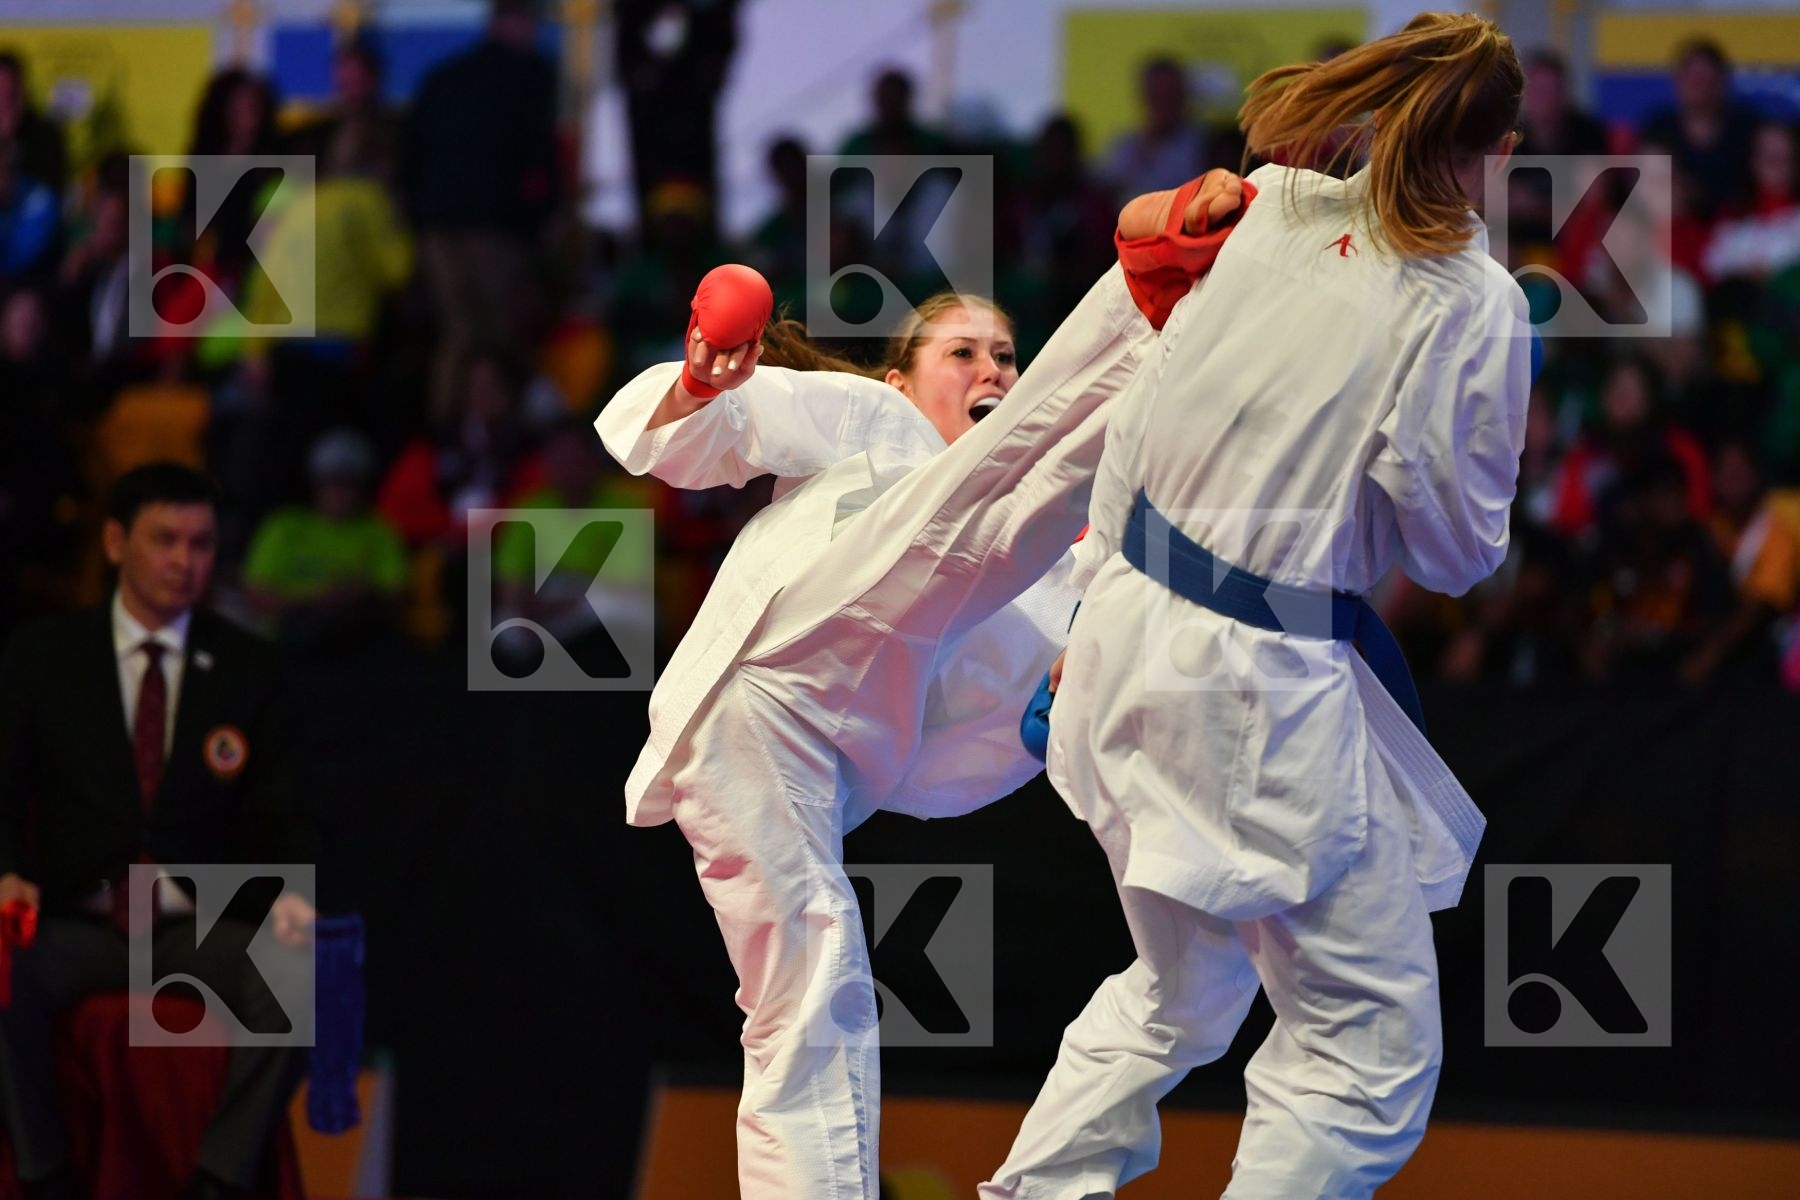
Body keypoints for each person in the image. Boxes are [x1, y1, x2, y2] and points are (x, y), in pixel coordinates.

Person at [597, 172, 1248, 1198]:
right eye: (964, 353)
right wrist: (698, 378)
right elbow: (725, 425)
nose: (991, 365)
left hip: (803, 755)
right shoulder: (874, 422)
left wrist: (1072, 699)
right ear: (901, 379)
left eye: (1005, 354)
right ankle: (1152, 289)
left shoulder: (1063, 568)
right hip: (780, 669)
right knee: (998, 487)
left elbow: (987, 750)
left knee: (811, 997)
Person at [979, 14, 1533, 1198]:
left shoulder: (1269, 203)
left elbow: (1140, 408)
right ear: (1499, 147)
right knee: (1366, 1053)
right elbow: (1450, 551)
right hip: (1248, 689)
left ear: (1381, 105)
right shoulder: (1469, 297)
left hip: (1127, 623)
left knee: (1182, 991)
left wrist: (1082, 621)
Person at [0, 463, 319, 1200]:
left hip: (195, 924)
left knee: (302, 974)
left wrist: (293, 896)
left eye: (202, 544)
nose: (185, 561)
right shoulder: (43, 657)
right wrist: (6, 869)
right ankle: (45, 1176)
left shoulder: (250, 668)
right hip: (76, 916)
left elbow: (289, 809)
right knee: (4, 970)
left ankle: (218, 1181)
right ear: (115, 543)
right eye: (165, 540)